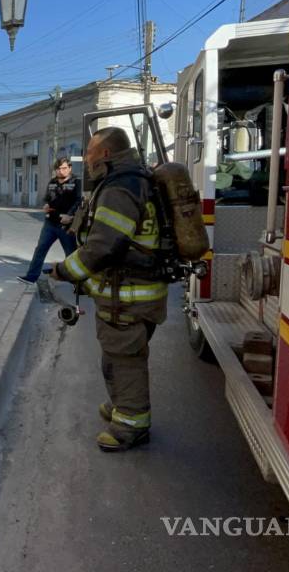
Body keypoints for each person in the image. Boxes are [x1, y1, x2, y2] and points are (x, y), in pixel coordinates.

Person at [49, 127, 167, 452]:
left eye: (89, 151)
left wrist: (65, 271)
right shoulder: (134, 179)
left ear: (104, 153)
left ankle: (131, 425)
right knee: (117, 355)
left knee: (124, 359)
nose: (84, 159)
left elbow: (103, 247)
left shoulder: (120, 187)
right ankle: (121, 405)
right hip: (132, 292)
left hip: (127, 295)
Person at [17, 157, 81, 284]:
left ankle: (78, 282)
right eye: (58, 169)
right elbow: (46, 198)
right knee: (40, 249)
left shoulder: (76, 182)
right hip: (50, 224)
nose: (61, 171)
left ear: (69, 168)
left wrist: (70, 215)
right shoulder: (52, 182)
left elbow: (78, 201)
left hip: (66, 225)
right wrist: (46, 205)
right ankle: (31, 277)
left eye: (64, 168)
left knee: (71, 253)